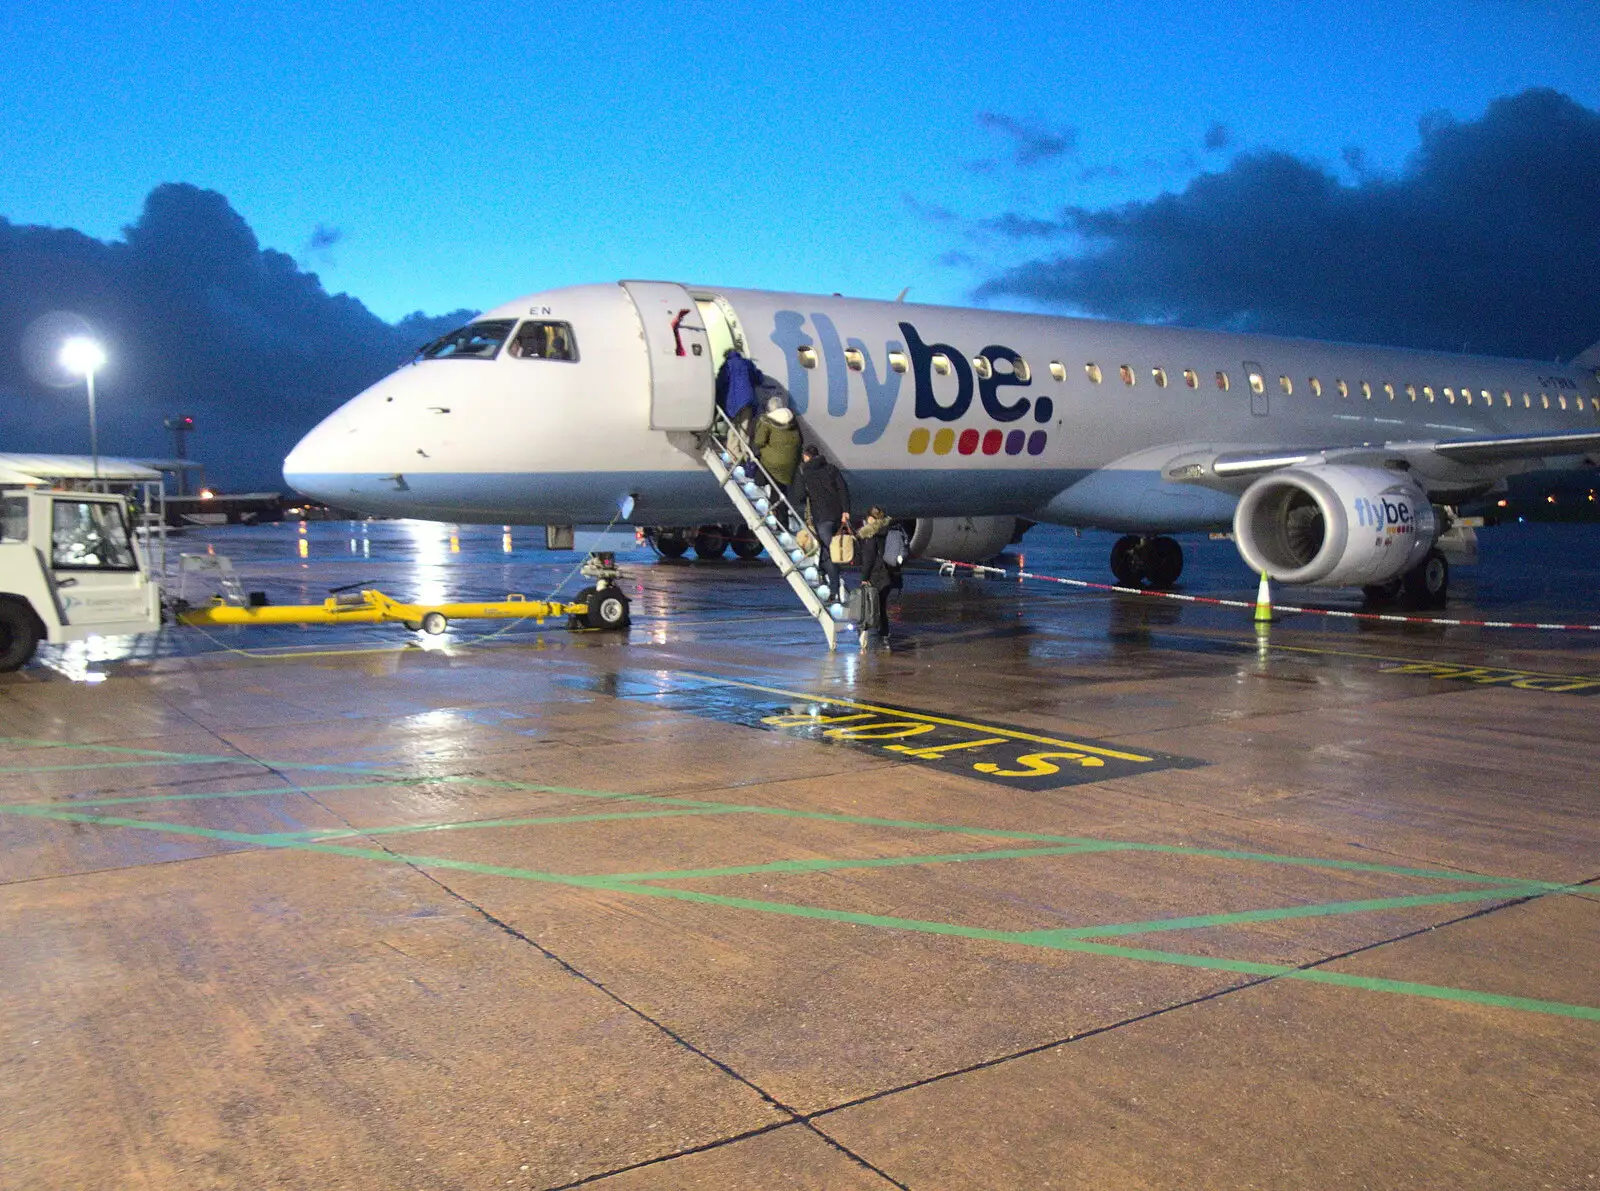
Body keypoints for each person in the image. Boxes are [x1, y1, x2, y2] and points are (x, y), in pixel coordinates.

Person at [788, 444, 851, 604]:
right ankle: (827, 575)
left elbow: (799, 496)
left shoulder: (803, 471)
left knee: (827, 552)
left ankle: (835, 589)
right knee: (828, 549)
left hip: (821, 517)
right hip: (836, 514)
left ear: (806, 456)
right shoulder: (831, 468)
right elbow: (843, 489)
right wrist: (845, 510)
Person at [853, 506, 899, 648]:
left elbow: (869, 558)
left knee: (868, 606)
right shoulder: (890, 530)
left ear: (871, 518)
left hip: (876, 574)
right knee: (882, 606)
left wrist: (864, 577)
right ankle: (884, 635)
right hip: (890, 573)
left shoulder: (871, 535)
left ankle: (866, 633)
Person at [752, 396, 801, 497]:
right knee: (779, 491)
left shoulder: (766, 421)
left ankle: (760, 482)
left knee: (760, 476)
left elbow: (759, 442)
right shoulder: (792, 420)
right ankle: (780, 510)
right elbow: (801, 439)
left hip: (772, 464)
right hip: (791, 462)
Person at [715, 348, 761, 443]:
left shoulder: (726, 366)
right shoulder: (747, 363)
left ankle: (734, 454)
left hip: (732, 403)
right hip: (747, 401)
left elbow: (719, 384)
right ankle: (746, 453)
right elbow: (758, 379)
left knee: (733, 428)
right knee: (746, 429)